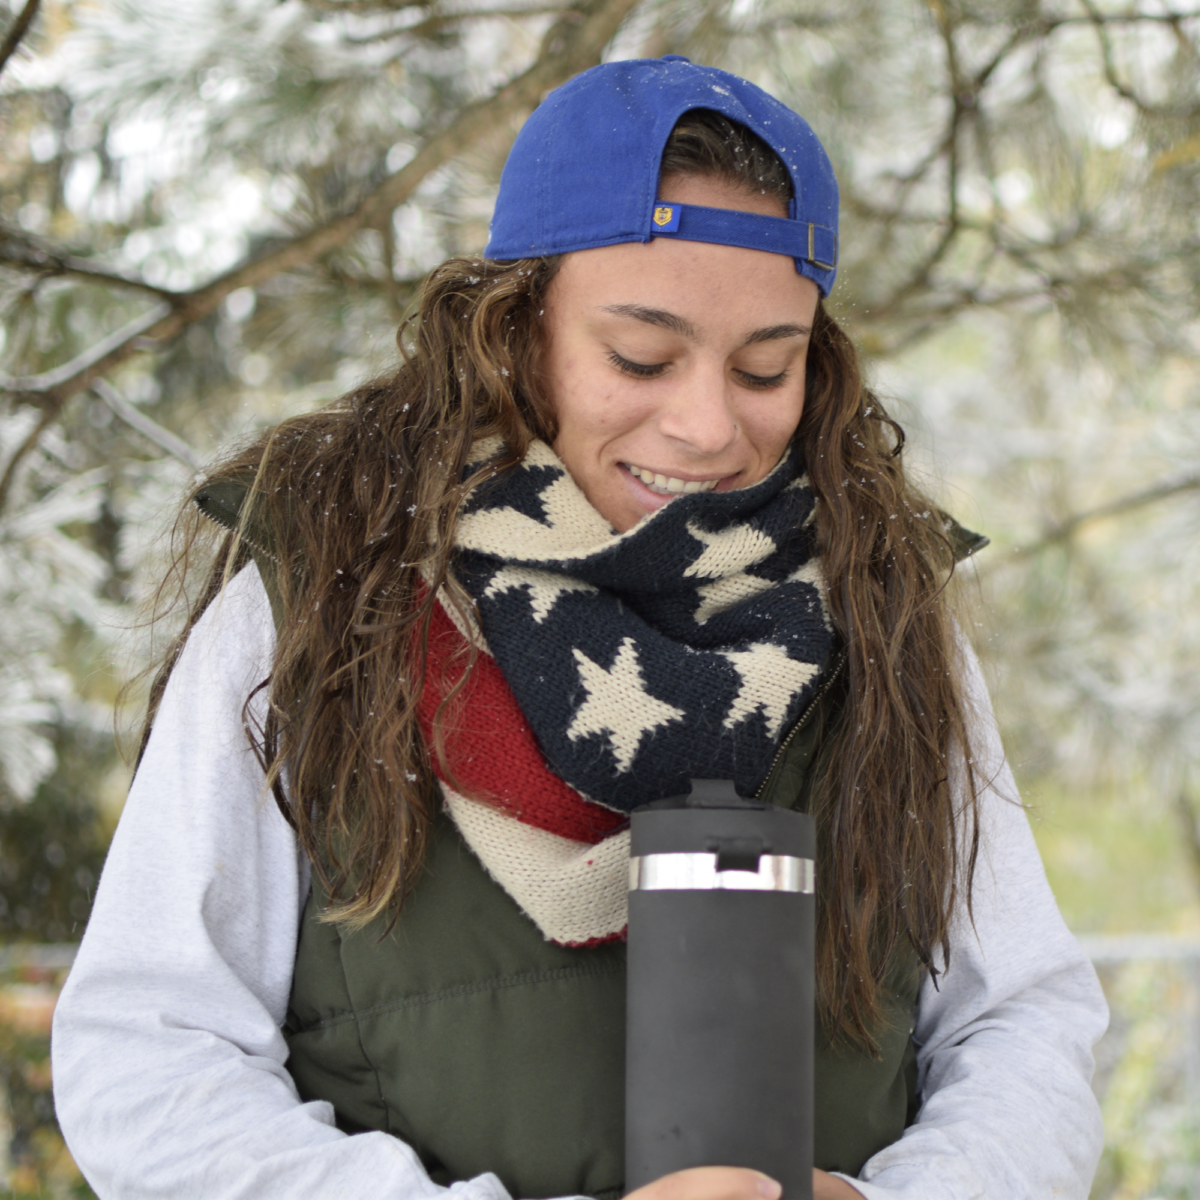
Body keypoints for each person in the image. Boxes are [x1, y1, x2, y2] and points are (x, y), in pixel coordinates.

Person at [51, 56, 1107, 1200]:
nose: (707, 426)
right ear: (514, 327)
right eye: (640, 356)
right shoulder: (321, 597)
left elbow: (1023, 1023)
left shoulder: (880, 610)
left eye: (766, 368)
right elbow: (151, 1050)